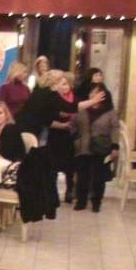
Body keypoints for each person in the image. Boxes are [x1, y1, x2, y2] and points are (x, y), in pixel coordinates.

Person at [72, 84, 119, 212]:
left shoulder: (110, 112)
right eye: (91, 93)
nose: (92, 95)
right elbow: (73, 125)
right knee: (82, 175)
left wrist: (115, 146)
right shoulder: (83, 109)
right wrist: (75, 139)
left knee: (99, 177)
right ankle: (81, 201)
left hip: (101, 147)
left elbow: (115, 129)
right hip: (83, 147)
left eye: (95, 92)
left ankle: (96, 202)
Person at [47, 71, 79, 202]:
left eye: (66, 84)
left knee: (70, 166)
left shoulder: (75, 99)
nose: (65, 87)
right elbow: (48, 118)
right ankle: (52, 194)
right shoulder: (52, 99)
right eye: (62, 84)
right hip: (55, 135)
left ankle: (69, 191)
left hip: (70, 136)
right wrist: (62, 123)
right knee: (53, 166)